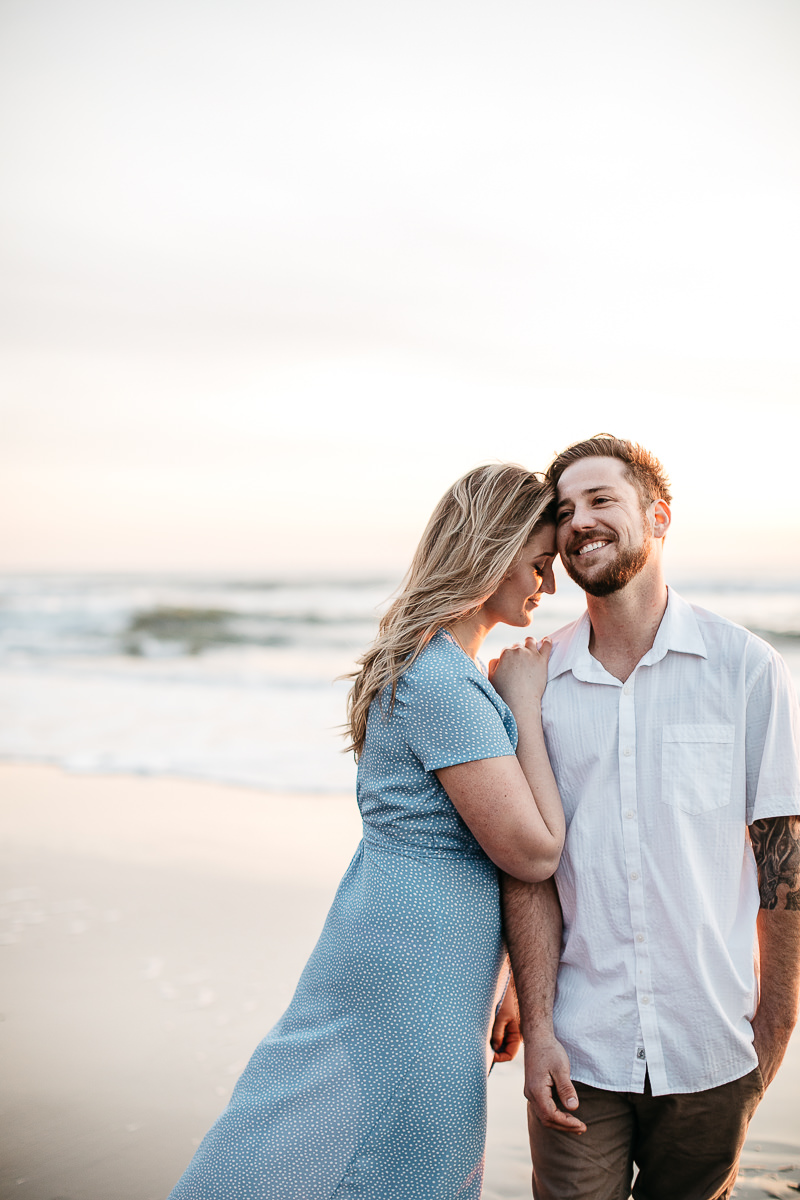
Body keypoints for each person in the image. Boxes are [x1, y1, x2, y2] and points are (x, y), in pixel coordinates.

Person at [168, 463, 565, 1200]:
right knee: (385, 1148)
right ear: (494, 547)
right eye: (540, 564)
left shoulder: (435, 668)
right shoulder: (442, 682)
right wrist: (529, 703)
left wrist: (508, 977)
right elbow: (533, 850)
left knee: (331, 1136)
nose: (550, 586)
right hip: (413, 965)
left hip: (408, 943)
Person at [500, 434, 800, 1200]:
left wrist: (773, 1031)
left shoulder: (744, 668)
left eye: (602, 500)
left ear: (659, 518)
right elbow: (530, 869)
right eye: (565, 510)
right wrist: (535, 1021)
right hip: (580, 1049)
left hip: (712, 1047)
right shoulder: (539, 684)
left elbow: (784, 862)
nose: (579, 522)